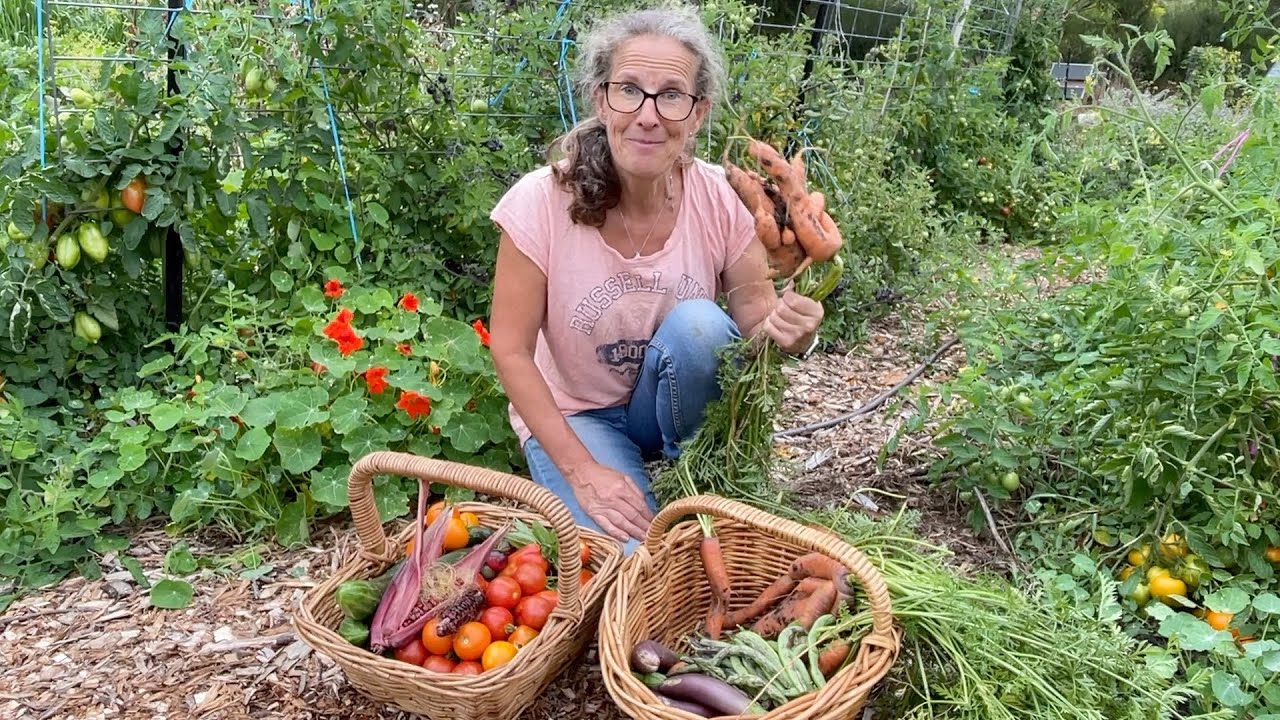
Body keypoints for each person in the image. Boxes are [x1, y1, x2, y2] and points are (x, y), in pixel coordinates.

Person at [487, 3, 824, 553]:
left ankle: (689, 470)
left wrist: (795, 331)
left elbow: (756, 325)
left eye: (671, 95)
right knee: (638, 557)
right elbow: (511, 350)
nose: (648, 115)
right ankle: (628, 483)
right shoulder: (541, 202)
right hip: (577, 415)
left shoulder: (721, 198)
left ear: (698, 112)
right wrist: (582, 472)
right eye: (629, 90)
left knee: (700, 327)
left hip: (667, 405)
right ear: (601, 99)